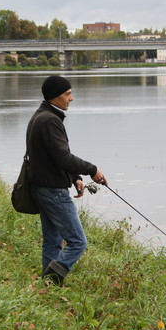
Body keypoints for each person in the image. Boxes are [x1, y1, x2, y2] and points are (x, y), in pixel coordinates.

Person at [26, 75, 107, 286]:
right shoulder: (50, 120)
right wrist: (92, 170)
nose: (71, 98)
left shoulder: (41, 116)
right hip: (52, 191)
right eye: (67, 94)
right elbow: (63, 157)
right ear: (55, 96)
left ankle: (48, 287)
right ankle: (50, 280)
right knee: (78, 242)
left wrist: (75, 178)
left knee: (53, 241)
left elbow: (52, 156)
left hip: (42, 187)